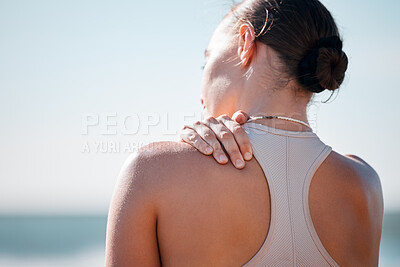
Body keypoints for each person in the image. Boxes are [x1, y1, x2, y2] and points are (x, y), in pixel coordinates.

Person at [105, 0, 384, 266]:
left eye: (206, 62)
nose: (201, 95)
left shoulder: (152, 172)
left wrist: (174, 157)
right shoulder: (365, 183)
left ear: (246, 42)